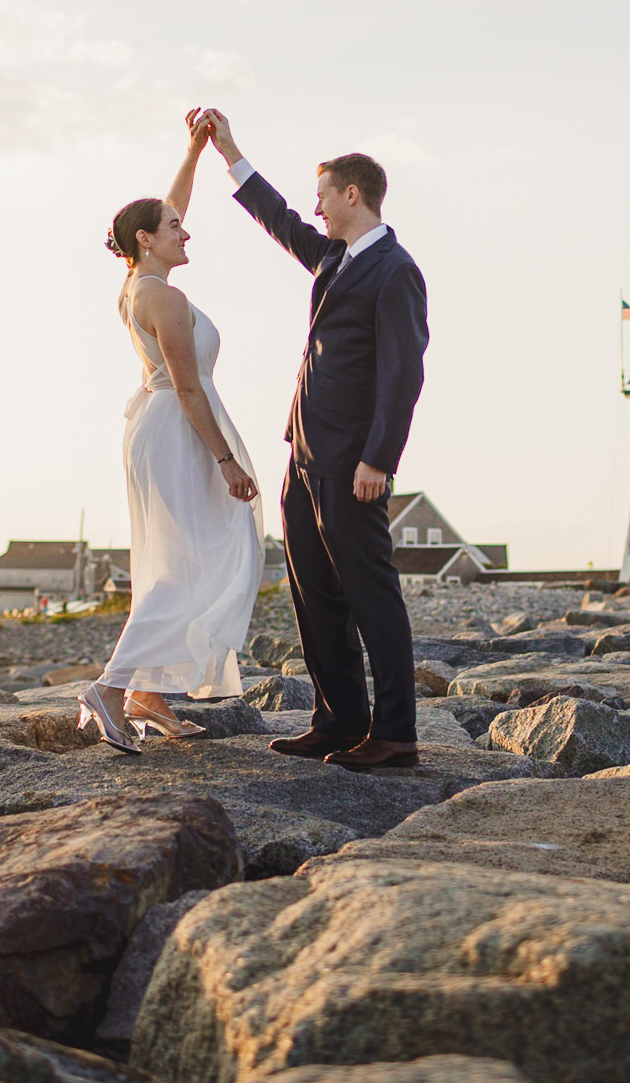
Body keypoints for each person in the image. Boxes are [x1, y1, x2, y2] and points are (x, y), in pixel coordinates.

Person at [199, 108, 429, 770]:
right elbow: (279, 220)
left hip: (353, 458)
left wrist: (378, 459)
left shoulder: (394, 270)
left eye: (324, 194)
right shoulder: (332, 258)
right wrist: (230, 153)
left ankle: (394, 734)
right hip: (303, 451)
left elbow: (402, 372)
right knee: (313, 591)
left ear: (352, 194)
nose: (317, 206)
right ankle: (337, 720)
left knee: (370, 591)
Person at [81, 109, 265, 754]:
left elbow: (168, 204)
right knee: (195, 564)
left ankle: (147, 695)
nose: (186, 232)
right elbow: (188, 387)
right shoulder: (164, 299)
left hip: (165, 428)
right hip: (182, 430)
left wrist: (196, 151)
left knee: (185, 558)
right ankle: (111, 687)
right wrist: (226, 462)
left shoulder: (138, 281)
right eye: (174, 229)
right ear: (146, 240)